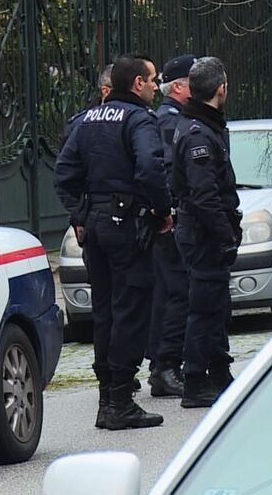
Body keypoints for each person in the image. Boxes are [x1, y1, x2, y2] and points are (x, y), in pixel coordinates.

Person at [54, 54, 172, 430]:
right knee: (131, 310)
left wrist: (81, 215)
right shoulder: (139, 119)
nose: (157, 86)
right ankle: (120, 400)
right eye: (153, 80)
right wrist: (162, 210)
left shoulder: (87, 120)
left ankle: (108, 399)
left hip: (96, 228)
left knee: (104, 311)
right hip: (127, 227)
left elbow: (64, 174)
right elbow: (151, 167)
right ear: (137, 83)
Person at [171, 56, 241, 408]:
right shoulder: (199, 133)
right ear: (220, 89)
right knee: (204, 307)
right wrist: (225, 235)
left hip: (204, 232)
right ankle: (196, 379)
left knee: (216, 305)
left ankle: (218, 369)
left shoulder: (204, 125)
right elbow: (204, 195)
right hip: (203, 234)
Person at [147, 54, 196, 398]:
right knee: (176, 293)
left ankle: (165, 365)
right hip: (171, 221)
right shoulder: (168, 121)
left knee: (173, 292)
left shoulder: (174, 118)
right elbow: (164, 171)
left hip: (172, 219)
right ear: (178, 86)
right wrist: (170, 210)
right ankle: (165, 366)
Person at [61, 64, 114, 247]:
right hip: (92, 214)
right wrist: (78, 216)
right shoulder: (81, 124)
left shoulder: (137, 120)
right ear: (105, 91)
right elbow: (66, 174)